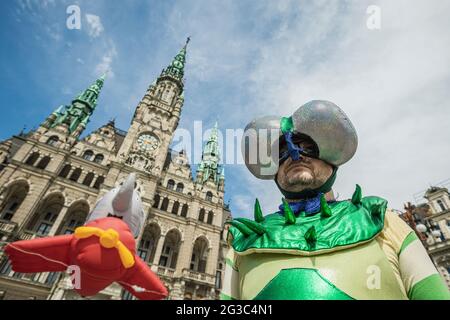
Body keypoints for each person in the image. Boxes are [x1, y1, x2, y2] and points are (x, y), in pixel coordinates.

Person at [221, 100, 450, 300]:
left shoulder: (384, 223)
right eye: (282, 152)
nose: (294, 154)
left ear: (331, 159)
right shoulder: (244, 245)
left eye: (307, 147)